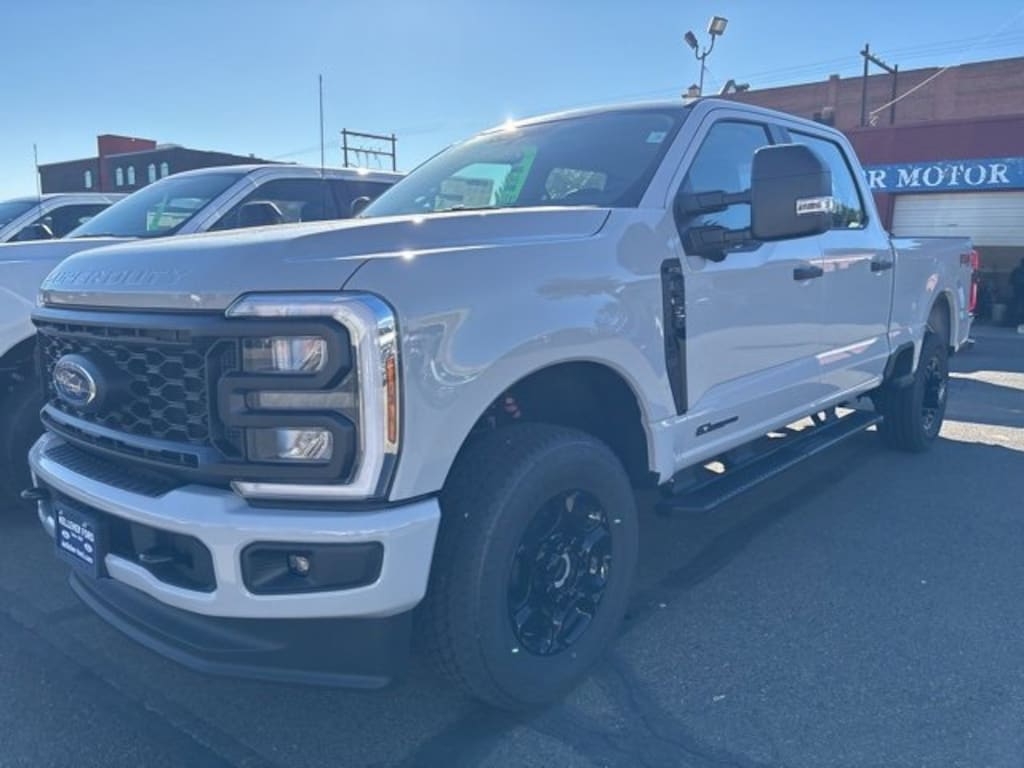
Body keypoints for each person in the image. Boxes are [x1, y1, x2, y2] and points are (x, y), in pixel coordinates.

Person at [1012, 258, 1024, 324]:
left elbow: (1011, 282)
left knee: (1018, 306)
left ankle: (1018, 321)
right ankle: (1019, 321)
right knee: (1019, 306)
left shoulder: (1016, 270)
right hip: (1018, 292)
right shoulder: (1017, 271)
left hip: (1017, 292)